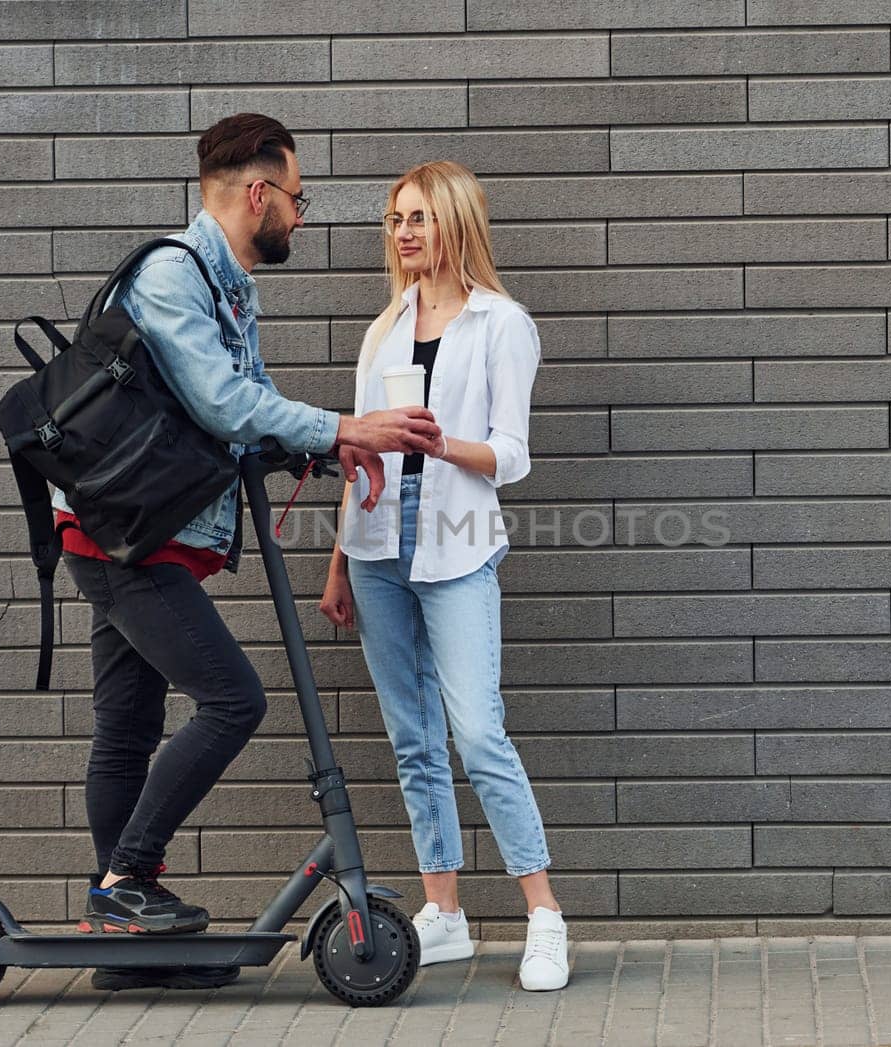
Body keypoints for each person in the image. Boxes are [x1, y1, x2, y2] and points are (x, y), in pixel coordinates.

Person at [52, 113, 441, 990]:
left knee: (128, 725)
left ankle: (125, 940)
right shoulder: (171, 277)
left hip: (144, 532)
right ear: (258, 193)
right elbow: (223, 403)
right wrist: (345, 423)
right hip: (119, 536)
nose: (302, 217)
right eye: (299, 199)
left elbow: (246, 409)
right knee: (234, 699)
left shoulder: (230, 287)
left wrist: (324, 448)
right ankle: (125, 881)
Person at [318, 161, 569, 992]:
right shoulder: (385, 325)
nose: (404, 232)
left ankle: (543, 914)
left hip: (458, 542)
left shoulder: (502, 323)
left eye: (419, 217)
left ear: (455, 221)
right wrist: (339, 564)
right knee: (413, 739)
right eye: (394, 219)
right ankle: (446, 911)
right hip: (378, 546)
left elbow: (513, 454)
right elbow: (356, 453)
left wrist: (438, 445)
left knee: (477, 731)